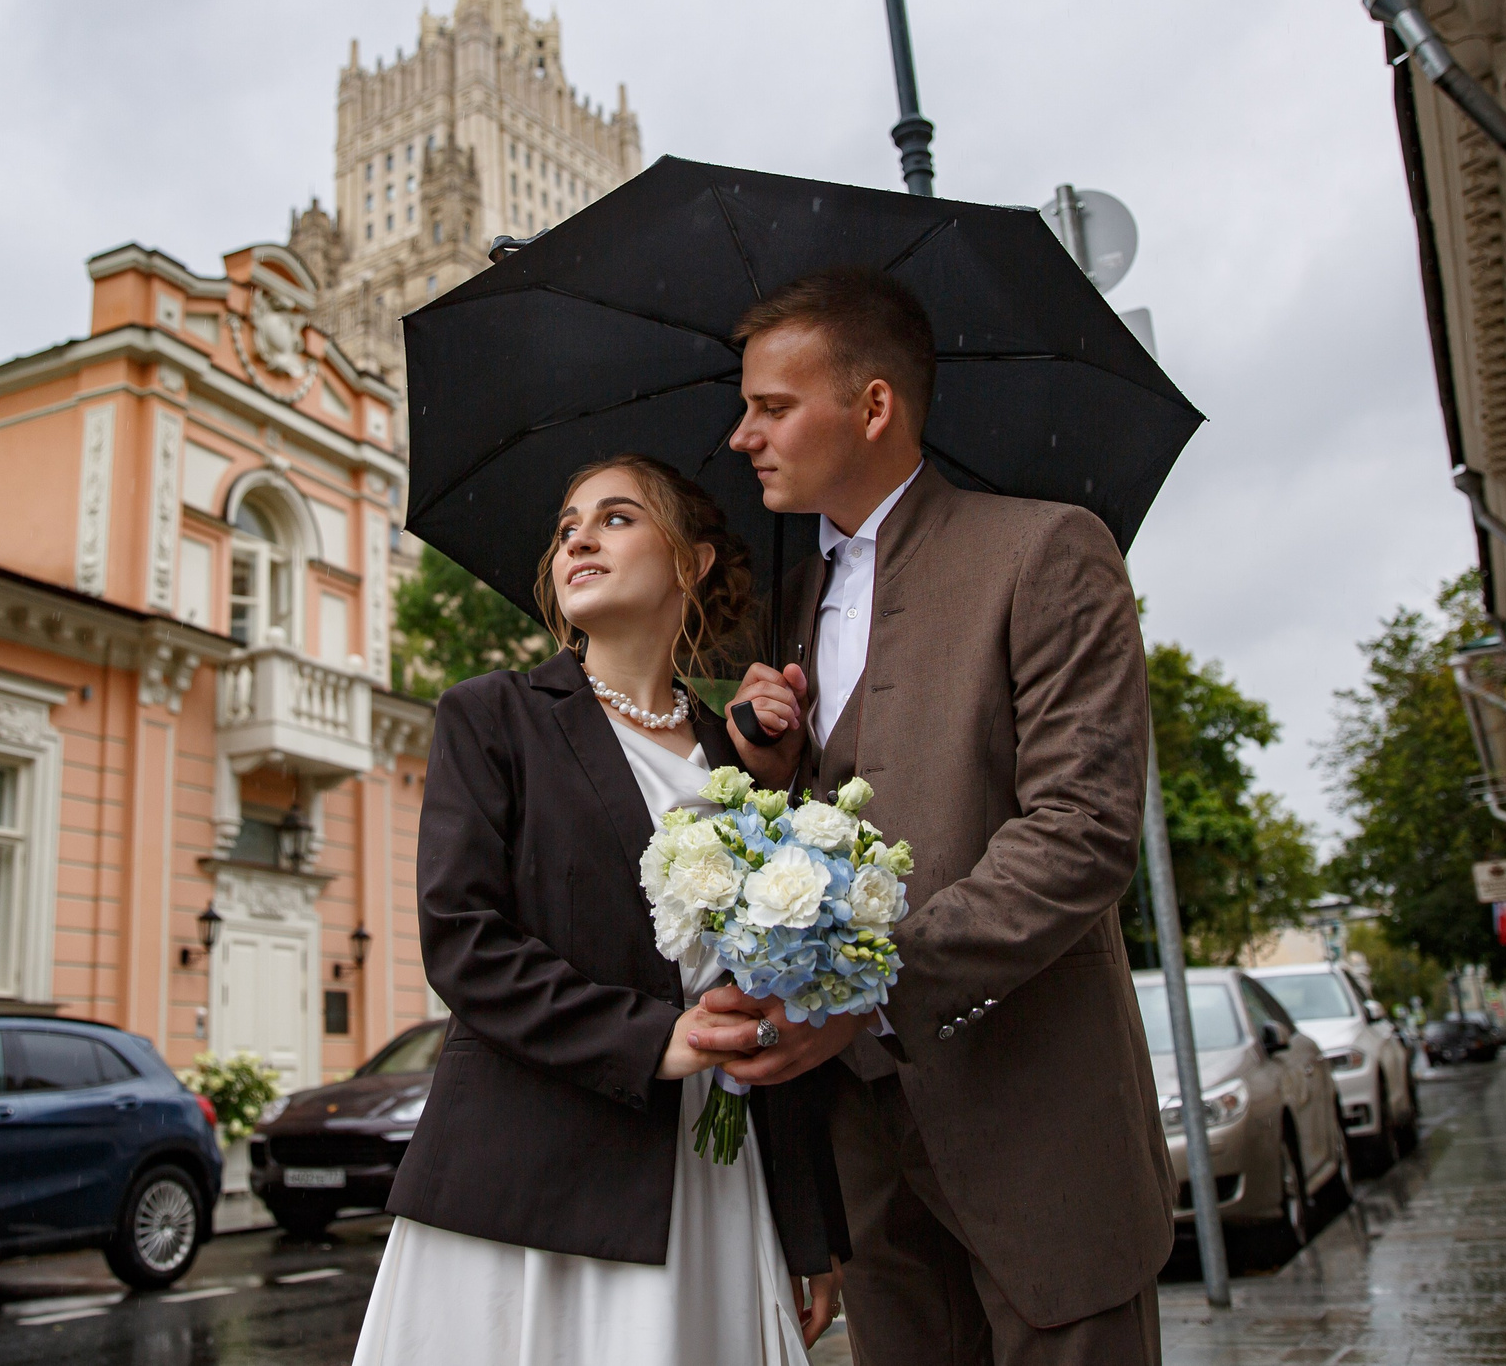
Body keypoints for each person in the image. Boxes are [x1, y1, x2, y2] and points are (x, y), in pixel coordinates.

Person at [693, 267, 1175, 1366]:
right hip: (865, 1154)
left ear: (871, 407)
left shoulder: (1045, 551)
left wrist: (866, 998)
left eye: (771, 407)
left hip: (1036, 1124)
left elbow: (1080, 836)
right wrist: (764, 762)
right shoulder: (787, 612)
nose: (740, 437)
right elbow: (808, 850)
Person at [355, 454, 847, 1366]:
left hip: (714, 1185)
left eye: (617, 518)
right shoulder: (491, 717)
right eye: (568, 525)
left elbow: (773, 992)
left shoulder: (737, 762)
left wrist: (805, 1226)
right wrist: (654, 1038)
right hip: (530, 1191)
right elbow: (464, 943)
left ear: (692, 563)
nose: (578, 536)